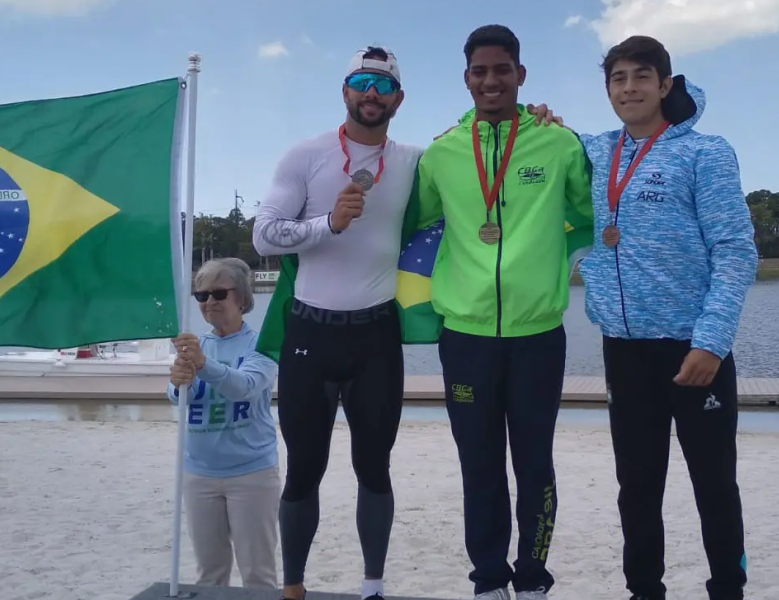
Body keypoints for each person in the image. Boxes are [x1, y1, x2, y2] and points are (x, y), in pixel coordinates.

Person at [250, 45, 565, 600]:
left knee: (375, 470)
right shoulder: (306, 155)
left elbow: (475, 160)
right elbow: (263, 234)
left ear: (399, 99)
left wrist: (538, 118)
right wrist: (328, 223)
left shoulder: (419, 160)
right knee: (304, 470)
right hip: (309, 334)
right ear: (344, 91)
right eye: (360, 82)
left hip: (375, 337)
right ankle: (293, 587)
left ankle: (373, 586)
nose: (371, 94)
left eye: (383, 86)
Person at [408, 24, 593, 600]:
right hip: (464, 335)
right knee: (479, 466)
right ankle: (488, 580)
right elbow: (414, 222)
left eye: (502, 69)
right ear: (466, 79)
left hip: (539, 333)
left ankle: (534, 579)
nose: (491, 80)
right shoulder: (440, 154)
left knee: (535, 464)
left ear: (521, 74)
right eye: (480, 72)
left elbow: (592, 210)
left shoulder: (558, 144)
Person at [575, 35, 759, 600]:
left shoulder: (706, 152)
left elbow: (735, 250)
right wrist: (541, 116)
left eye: (640, 76)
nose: (629, 88)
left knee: (713, 485)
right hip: (623, 349)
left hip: (693, 349)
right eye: (617, 78)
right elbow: (543, 136)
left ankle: (728, 588)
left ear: (665, 84)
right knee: (637, 487)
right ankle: (643, 592)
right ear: (607, 89)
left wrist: (711, 342)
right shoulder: (595, 150)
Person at [167, 257, 281, 590]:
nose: (209, 302)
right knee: (210, 575)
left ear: (242, 297)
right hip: (199, 474)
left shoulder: (262, 344)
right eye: (201, 296)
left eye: (218, 293)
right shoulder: (195, 345)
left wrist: (203, 365)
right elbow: (177, 396)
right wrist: (178, 381)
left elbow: (244, 387)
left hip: (252, 474)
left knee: (258, 574)